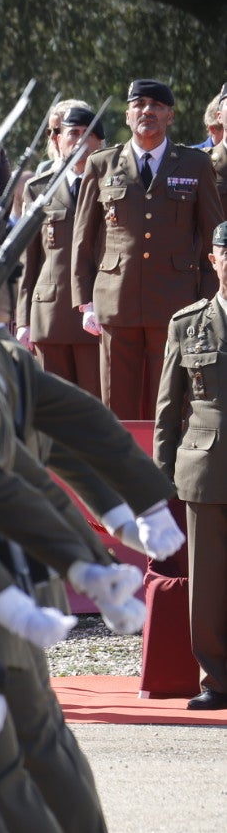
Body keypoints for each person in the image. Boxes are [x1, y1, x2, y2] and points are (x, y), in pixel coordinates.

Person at [71, 78, 225, 420]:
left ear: (170, 116)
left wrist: (209, 298)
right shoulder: (101, 164)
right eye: (139, 105)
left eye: (157, 106)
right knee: (116, 404)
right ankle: (120, 472)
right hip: (116, 300)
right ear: (127, 115)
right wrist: (85, 302)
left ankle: (168, 473)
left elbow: (214, 235)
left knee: (171, 405)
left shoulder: (195, 164)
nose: (147, 112)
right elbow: (83, 237)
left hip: (176, 302)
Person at [154, 219, 227, 709]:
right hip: (206, 464)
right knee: (208, 583)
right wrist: (156, 481)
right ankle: (217, 680)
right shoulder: (188, 322)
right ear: (214, 258)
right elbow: (167, 408)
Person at [19, 105, 105, 395]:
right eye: (73, 133)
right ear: (58, 140)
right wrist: (23, 320)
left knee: (96, 406)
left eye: (87, 134)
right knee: (52, 411)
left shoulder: (113, 185)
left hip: (95, 314)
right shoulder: (38, 189)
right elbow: (28, 260)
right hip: (50, 315)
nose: (80, 141)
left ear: (100, 144)